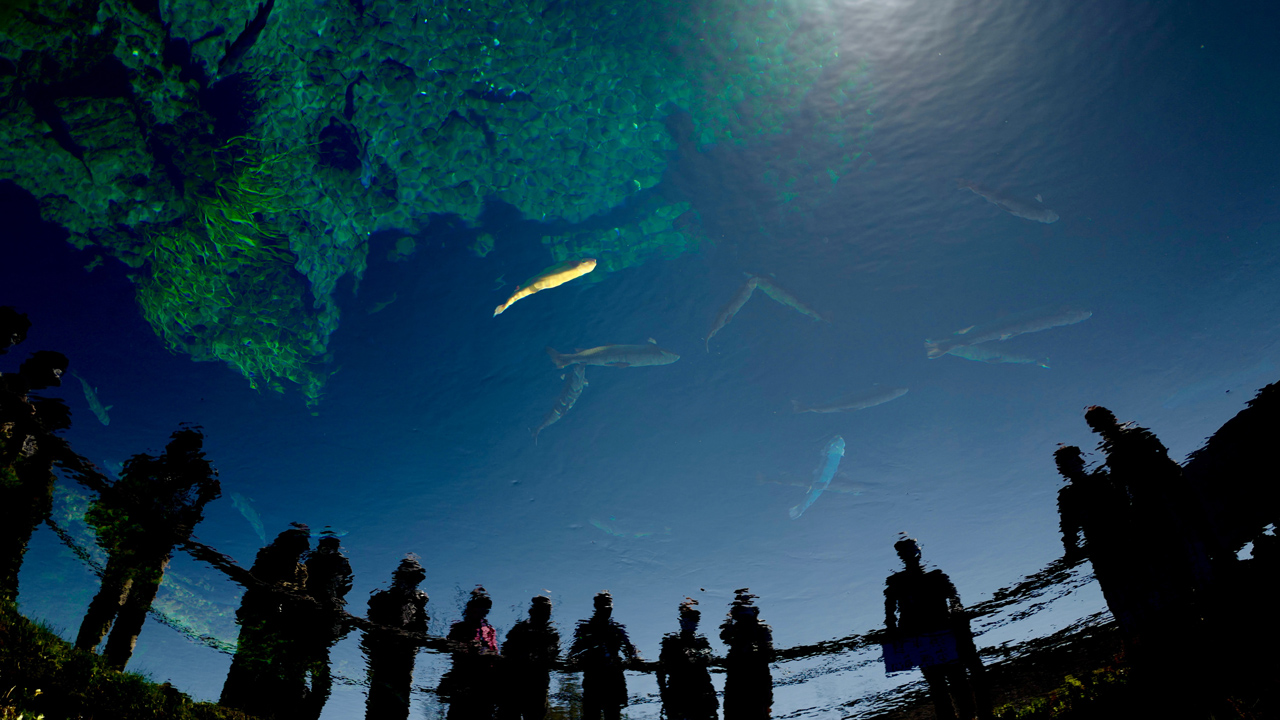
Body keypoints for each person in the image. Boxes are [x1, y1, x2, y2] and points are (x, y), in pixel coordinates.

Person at [74, 425, 221, 670]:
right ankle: (91, 653)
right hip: (138, 539)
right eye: (185, 448)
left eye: (190, 450)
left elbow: (191, 516)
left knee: (129, 606)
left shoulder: (182, 477)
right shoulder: (157, 469)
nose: (186, 454)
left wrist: (202, 496)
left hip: (155, 545)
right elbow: (150, 489)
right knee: (115, 600)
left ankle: (109, 662)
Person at [0, 310, 73, 603]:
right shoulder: (18, 397)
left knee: (11, 547)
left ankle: (5, 593)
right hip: (19, 484)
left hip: (23, 487)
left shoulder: (27, 405)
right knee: (11, 547)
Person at [884, 536, 992, 720]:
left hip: (925, 635)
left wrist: (895, 633)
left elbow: (890, 614)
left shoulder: (901, 582)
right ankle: (967, 715)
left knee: (941, 685)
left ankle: (963, 715)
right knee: (952, 682)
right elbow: (956, 603)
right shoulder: (933, 578)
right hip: (934, 634)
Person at [221, 524, 312, 717]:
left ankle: (254, 710)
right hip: (259, 613)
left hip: (282, 621)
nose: (301, 547)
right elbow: (255, 579)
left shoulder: (301, 570)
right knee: (244, 664)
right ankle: (229, 706)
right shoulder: (268, 555)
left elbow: (300, 592)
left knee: (269, 668)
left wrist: (300, 598)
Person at [1054, 445, 1141, 639]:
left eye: (1076, 459)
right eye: (1071, 460)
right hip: (1105, 547)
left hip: (1117, 542)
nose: (1078, 463)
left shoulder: (1096, 483)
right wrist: (1071, 549)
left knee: (1128, 591)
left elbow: (1124, 506)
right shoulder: (1071, 494)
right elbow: (1069, 528)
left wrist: (1071, 550)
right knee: (1120, 594)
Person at [363, 555, 429, 720]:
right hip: (383, 658)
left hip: (404, 660)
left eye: (414, 578)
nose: (410, 582)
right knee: (378, 702)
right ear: (398, 577)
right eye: (406, 577)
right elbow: (370, 630)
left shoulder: (418, 603)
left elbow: (422, 630)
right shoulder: (382, 598)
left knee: (399, 704)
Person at [298, 534, 354, 720]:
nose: (327, 550)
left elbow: (344, 585)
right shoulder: (312, 560)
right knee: (305, 662)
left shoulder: (340, 564)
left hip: (323, 617)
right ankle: (303, 702)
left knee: (316, 661)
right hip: (308, 614)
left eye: (330, 547)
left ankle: (310, 706)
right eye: (324, 546)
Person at [567, 592, 639, 720]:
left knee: (612, 713)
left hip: (613, 678)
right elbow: (574, 650)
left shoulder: (617, 629)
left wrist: (633, 659)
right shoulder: (585, 628)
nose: (607, 607)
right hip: (594, 677)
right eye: (603, 604)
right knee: (593, 713)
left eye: (609, 604)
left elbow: (631, 650)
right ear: (596, 605)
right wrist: (574, 659)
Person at [440, 586, 501, 719]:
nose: (483, 610)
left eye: (485, 607)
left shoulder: (490, 630)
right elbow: (449, 647)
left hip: (485, 683)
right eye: (479, 606)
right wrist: (467, 648)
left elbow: (495, 654)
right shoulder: (459, 628)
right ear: (471, 608)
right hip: (463, 679)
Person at [499, 596, 561, 720]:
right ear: (532, 611)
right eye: (542, 610)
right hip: (515, 685)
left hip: (538, 686)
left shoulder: (551, 633)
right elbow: (505, 653)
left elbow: (553, 656)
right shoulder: (518, 630)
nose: (546, 614)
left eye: (547, 611)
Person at [657, 598, 718, 720]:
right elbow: (661, 668)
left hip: (701, 691)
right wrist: (664, 693)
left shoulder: (702, 643)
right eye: (687, 620)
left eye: (693, 621)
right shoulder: (671, 642)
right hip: (679, 692)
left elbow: (709, 657)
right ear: (681, 621)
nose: (690, 624)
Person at [719, 588, 774, 719]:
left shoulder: (760, 629)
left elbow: (724, 636)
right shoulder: (756, 628)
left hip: (749, 673)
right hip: (744, 673)